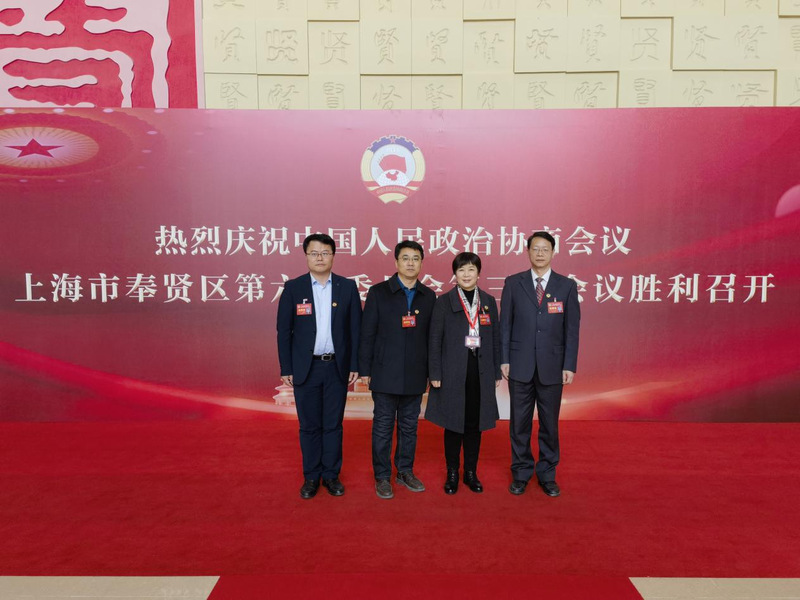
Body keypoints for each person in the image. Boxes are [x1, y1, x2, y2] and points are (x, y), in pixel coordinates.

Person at [276, 233, 361, 499]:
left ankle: (331, 475)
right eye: (314, 253)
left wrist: (355, 364)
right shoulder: (294, 288)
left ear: (333, 256)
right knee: (309, 425)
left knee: (333, 425)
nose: (320, 258)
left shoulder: (347, 287)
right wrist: (286, 368)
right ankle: (311, 476)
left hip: (336, 367)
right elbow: (284, 332)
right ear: (306, 256)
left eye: (325, 253)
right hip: (306, 368)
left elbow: (355, 330)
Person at [500, 231, 580, 497]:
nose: (540, 253)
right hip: (519, 364)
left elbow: (571, 330)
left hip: (553, 366)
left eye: (545, 249)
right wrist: (504, 359)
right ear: (528, 252)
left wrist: (569, 364)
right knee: (519, 424)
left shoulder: (566, 286)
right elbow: (505, 324)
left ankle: (547, 474)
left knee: (549, 425)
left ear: (553, 252)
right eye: (535, 248)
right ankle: (521, 473)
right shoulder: (514, 283)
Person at [359, 241, 436, 499]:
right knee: (382, 427)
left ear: (421, 263)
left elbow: (432, 338)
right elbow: (367, 333)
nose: (410, 263)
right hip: (384, 371)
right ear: (396, 262)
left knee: (409, 426)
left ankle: (404, 471)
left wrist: (431, 371)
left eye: (415, 258)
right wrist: (365, 369)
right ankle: (382, 476)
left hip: (415, 372)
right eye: (405, 258)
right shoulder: (379, 292)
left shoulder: (428, 296)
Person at [426, 252, 501, 495]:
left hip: (480, 370)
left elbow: (495, 338)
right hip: (452, 371)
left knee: (475, 423)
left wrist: (496, 371)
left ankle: (470, 472)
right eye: (461, 270)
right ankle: (452, 473)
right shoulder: (444, 302)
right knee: (453, 422)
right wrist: (435, 373)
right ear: (455, 274)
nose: (466, 275)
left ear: (478, 273)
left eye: (471, 270)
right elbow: (434, 340)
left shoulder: (488, 301)